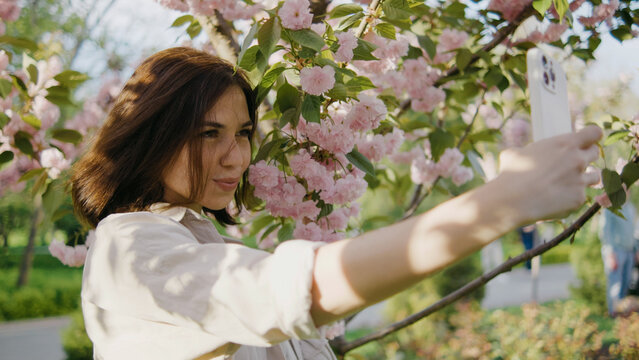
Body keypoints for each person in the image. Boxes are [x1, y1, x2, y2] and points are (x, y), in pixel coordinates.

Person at [71, 47, 602, 359]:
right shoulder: (129, 246)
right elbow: (295, 292)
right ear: (152, 135)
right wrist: (501, 203)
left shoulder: (194, 238)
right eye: (210, 133)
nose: (236, 157)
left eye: (244, 133)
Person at [599, 199, 639, 316]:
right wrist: (610, 253)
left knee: (626, 284)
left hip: (629, 251)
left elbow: (634, 231)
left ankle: (623, 314)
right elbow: (605, 232)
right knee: (615, 285)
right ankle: (614, 314)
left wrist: (636, 249)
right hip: (616, 252)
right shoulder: (611, 208)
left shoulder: (630, 207)